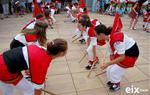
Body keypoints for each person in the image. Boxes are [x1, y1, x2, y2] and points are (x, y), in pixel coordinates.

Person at [0, 38, 68, 95]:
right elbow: (37, 88)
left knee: (7, 87)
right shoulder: (42, 62)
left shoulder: (38, 47)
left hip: (2, 60)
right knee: (30, 90)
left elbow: (28, 58)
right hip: (5, 70)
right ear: (61, 53)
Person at [95, 24, 139, 91]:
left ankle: (116, 84)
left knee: (114, 71)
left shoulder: (116, 40)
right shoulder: (108, 37)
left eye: (96, 35)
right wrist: (111, 63)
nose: (96, 37)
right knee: (109, 69)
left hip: (131, 54)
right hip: (124, 52)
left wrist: (108, 63)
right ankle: (113, 81)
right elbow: (112, 53)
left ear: (101, 34)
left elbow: (122, 57)